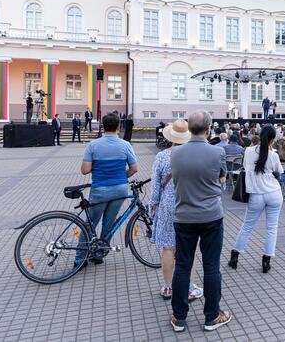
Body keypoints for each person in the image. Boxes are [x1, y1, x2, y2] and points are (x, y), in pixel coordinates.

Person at [169, 110, 232, 333]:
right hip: (211, 216)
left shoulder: (175, 153)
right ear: (208, 129)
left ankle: (179, 317)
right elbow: (222, 178)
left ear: (188, 128)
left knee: (183, 266)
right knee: (211, 266)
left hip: (183, 216)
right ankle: (211, 316)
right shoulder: (217, 152)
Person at [148, 120, 203, 301]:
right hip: (188, 204)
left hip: (167, 205)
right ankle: (188, 287)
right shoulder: (194, 156)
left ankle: (168, 287)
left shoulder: (162, 156)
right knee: (189, 248)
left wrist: (153, 205)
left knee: (168, 247)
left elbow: (155, 185)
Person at [76, 113, 138, 266]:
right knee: (109, 224)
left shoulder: (93, 145)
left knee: (90, 224)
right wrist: (122, 176)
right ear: (119, 126)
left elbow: (84, 170)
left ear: (103, 126)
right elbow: (134, 168)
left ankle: (79, 259)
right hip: (120, 189)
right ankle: (99, 254)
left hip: (100, 190)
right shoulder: (125, 145)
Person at [228, 125, 284, 273]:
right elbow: (280, 172)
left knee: (247, 226)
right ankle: (266, 261)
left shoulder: (248, 151)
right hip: (274, 193)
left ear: (259, 136)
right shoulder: (274, 155)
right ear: (272, 139)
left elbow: (246, 168)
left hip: (256, 195)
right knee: (272, 228)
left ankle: (235, 255)